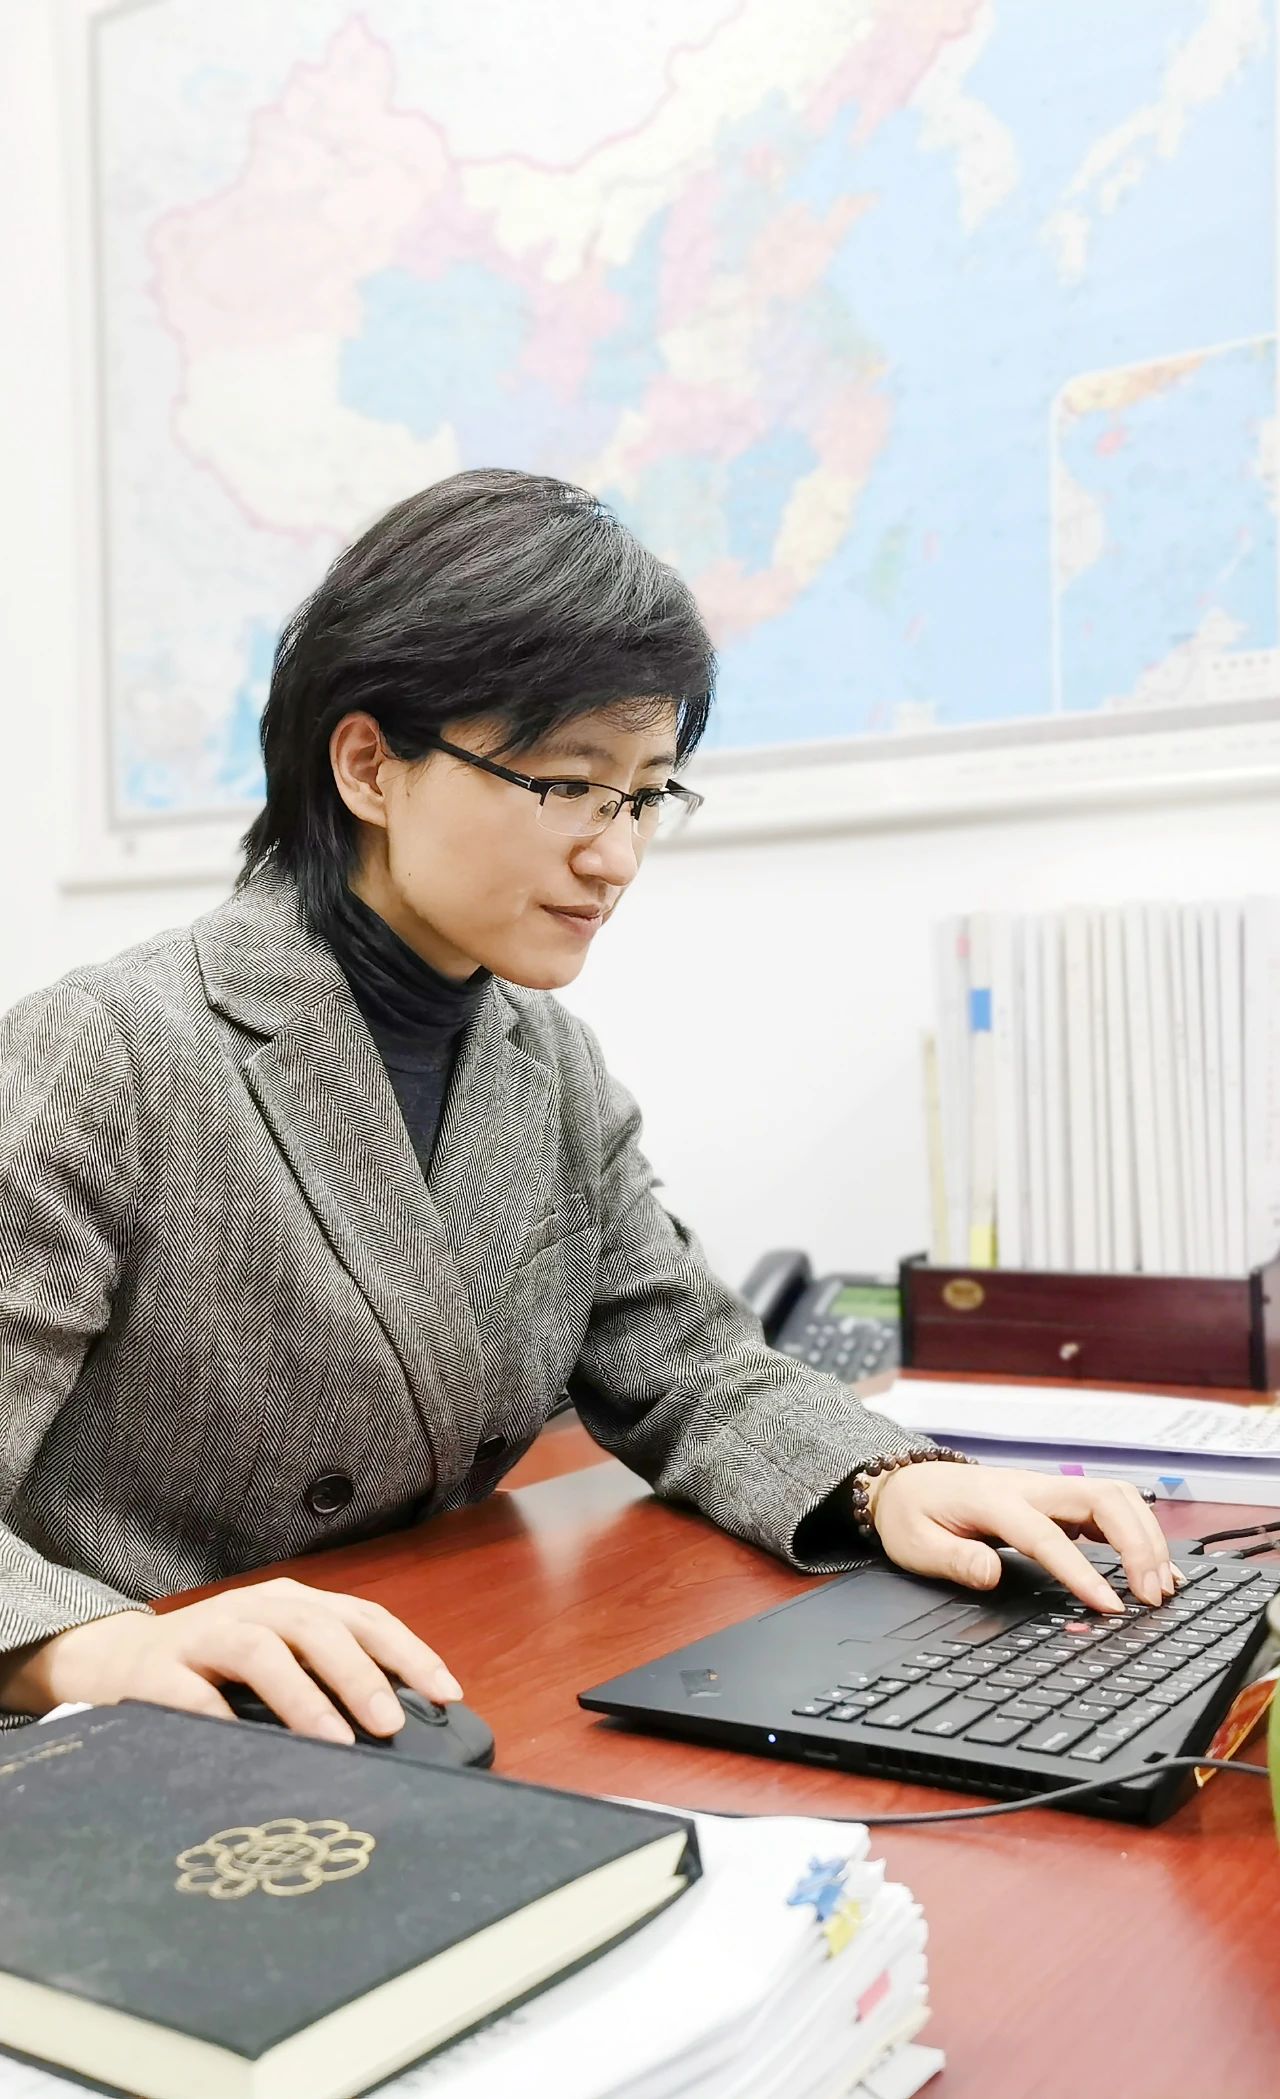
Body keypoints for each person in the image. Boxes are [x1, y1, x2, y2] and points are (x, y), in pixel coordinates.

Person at [0, 470, 1175, 1746]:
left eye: (644, 794)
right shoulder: (113, 1050)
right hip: (131, 1736)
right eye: (567, 784)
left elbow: (689, 1365)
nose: (613, 854)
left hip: (411, 1702)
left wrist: (888, 1479)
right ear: (369, 765)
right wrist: (98, 1643)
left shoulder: (545, 1060)